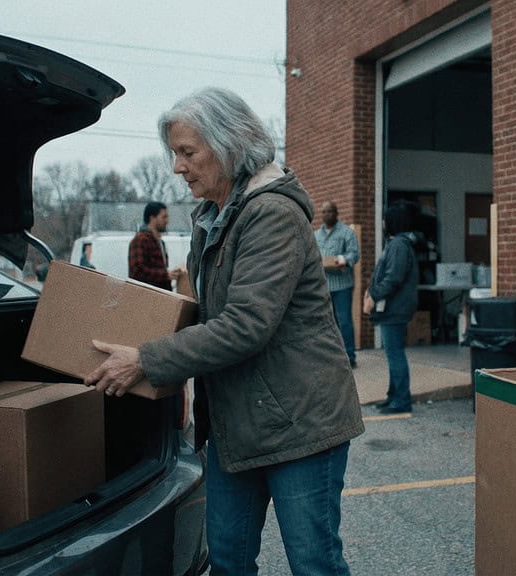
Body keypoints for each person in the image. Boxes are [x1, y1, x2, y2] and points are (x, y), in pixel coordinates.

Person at [85, 86, 364, 576]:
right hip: (237, 425)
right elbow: (204, 312)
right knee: (229, 560)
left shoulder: (270, 213)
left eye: (188, 152)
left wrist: (147, 360)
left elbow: (244, 326)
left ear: (230, 143)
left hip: (300, 422)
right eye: (174, 153)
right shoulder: (210, 219)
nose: (176, 167)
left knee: (314, 563)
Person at [363, 202, 419, 414]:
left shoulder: (398, 246)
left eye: (386, 219)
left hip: (395, 309)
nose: (383, 223)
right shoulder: (398, 244)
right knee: (392, 353)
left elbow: (393, 278)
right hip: (395, 308)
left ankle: (401, 401)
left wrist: (373, 296)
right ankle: (393, 396)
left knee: (395, 354)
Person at [316, 200, 360, 368]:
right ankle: (331, 356)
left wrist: (343, 259)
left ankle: (350, 356)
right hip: (323, 286)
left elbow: (354, 254)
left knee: (344, 321)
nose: (326, 214)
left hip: (342, 286)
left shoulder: (346, 232)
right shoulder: (316, 235)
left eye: (329, 211)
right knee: (327, 323)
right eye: (324, 212)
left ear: (336, 213)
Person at [128, 201, 181, 290]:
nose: (167, 221)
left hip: (160, 297)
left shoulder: (160, 242)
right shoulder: (140, 240)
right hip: (147, 298)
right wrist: (166, 275)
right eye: (164, 217)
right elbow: (137, 272)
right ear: (152, 218)